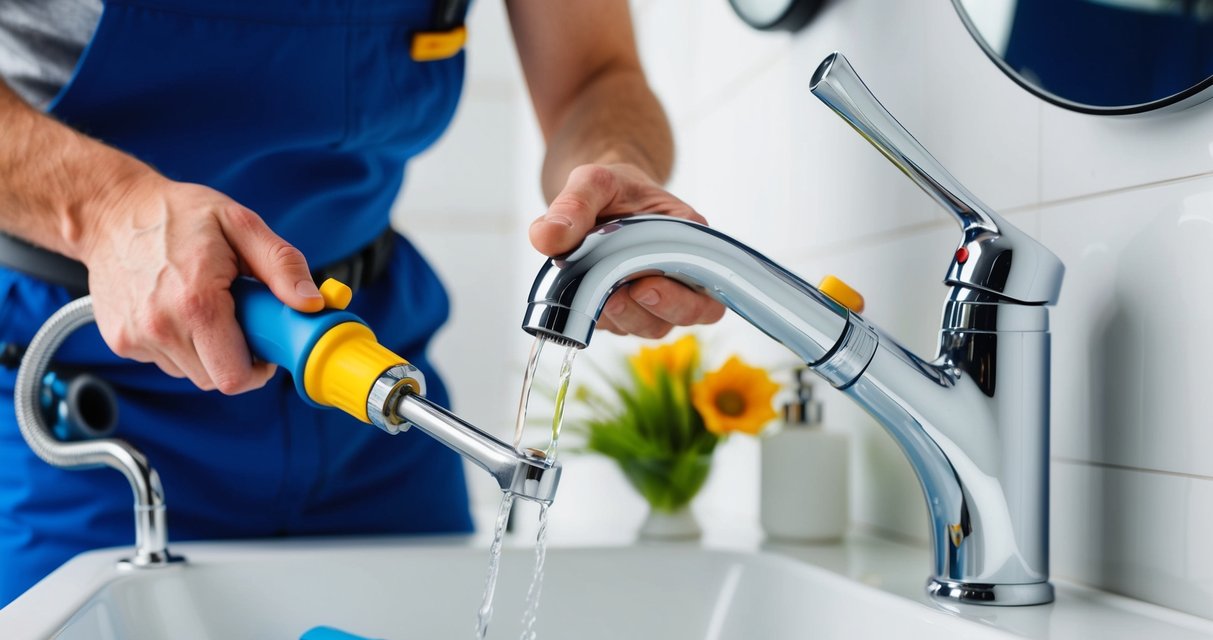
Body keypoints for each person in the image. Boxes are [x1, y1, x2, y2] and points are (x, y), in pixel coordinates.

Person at [0, 0, 724, 606]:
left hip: (371, 396)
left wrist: (609, 174)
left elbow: (596, 76)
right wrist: (102, 205)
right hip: (83, 395)